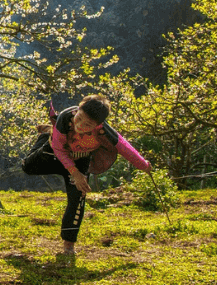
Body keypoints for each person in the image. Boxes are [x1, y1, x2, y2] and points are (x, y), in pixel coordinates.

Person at [22, 95, 151, 255]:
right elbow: (60, 149)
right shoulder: (65, 118)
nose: (80, 125)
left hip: (81, 158)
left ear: (97, 125)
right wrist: (75, 174)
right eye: (79, 118)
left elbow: (124, 147)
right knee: (27, 167)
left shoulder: (104, 131)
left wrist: (143, 165)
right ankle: (48, 133)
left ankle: (69, 244)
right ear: (78, 109)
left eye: (88, 124)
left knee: (78, 198)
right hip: (56, 151)